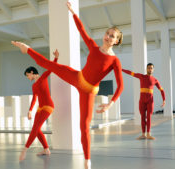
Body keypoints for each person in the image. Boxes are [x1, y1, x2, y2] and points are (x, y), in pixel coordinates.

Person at [12, 2, 124, 168]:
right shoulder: (93, 46)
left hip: (88, 92)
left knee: (84, 126)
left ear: (116, 41)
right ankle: (27, 49)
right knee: (51, 65)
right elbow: (81, 30)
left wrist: (110, 103)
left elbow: (120, 85)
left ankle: (87, 160)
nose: (108, 36)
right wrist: (72, 12)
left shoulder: (114, 60)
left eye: (112, 36)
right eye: (107, 33)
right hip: (77, 77)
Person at [19, 50, 59, 161]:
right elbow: (34, 98)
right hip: (40, 108)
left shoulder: (43, 78)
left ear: (32, 72)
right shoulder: (34, 86)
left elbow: (51, 68)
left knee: (36, 128)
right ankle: (46, 149)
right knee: (36, 129)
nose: (28, 77)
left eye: (28, 75)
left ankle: (24, 150)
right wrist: (30, 110)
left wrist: (56, 58)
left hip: (48, 106)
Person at [122, 63, 165, 140]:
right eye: (148, 68)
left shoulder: (155, 80)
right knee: (142, 117)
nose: (150, 69)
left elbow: (161, 90)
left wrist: (164, 100)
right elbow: (131, 73)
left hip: (150, 101)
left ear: (153, 70)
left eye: (151, 68)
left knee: (149, 117)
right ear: (146, 69)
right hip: (142, 101)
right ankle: (143, 134)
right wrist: (121, 69)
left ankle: (148, 134)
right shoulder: (142, 76)